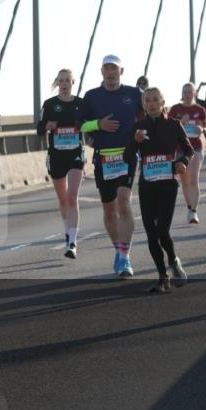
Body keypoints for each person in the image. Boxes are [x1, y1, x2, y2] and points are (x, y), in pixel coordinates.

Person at [124, 87, 193, 293]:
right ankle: (162, 277)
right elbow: (128, 157)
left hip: (167, 185)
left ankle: (173, 259)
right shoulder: (138, 127)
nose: (152, 103)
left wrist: (183, 162)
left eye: (155, 100)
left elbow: (188, 149)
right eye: (148, 100)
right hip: (147, 186)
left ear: (163, 103)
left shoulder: (173, 125)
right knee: (151, 234)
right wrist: (134, 143)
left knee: (162, 230)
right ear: (144, 105)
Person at [81, 55, 144, 277]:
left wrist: (145, 139)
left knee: (124, 202)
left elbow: (146, 117)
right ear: (101, 72)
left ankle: (125, 257)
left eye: (114, 69)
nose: (110, 72)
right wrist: (98, 125)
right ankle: (118, 249)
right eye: (106, 68)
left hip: (127, 155)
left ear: (121, 71)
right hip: (104, 159)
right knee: (109, 211)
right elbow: (81, 125)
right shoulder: (91, 96)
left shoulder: (134, 94)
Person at [38, 69, 87, 259]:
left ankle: (72, 242)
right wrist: (47, 126)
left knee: (72, 196)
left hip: (75, 153)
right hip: (56, 155)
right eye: (61, 80)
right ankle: (68, 233)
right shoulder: (50, 104)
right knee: (63, 200)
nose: (65, 83)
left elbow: (88, 124)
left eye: (68, 80)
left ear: (73, 82)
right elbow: (39, 129)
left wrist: (89, 134)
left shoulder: (81, 103)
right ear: (57, 83)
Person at [170, 83, 206, 223]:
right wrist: (181, 122)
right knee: (185, 182)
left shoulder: (199, 109)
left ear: (195, 93)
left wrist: (202, 129)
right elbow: (168, 129)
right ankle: (189, 207)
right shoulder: (175, 109)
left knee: (193, 179)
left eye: (190, 92)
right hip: (180, 149)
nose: (187, 94)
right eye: (185, 91)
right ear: (182, 93)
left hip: (196, 148)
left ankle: (194, 212)